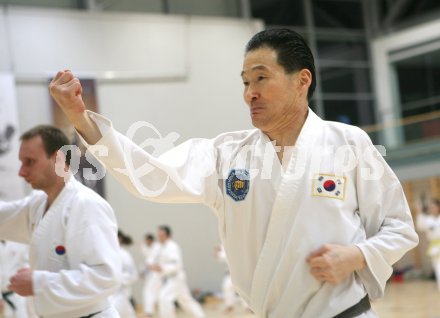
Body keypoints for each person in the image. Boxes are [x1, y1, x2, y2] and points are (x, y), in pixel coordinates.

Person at [49, 28, 419, 317]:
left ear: (301, 80)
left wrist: (356, 256)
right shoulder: (227, 154)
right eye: (245, 82)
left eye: (261, 78)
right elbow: (152, 176)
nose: (249, 93)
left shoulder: (348, 143)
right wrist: (80, 117)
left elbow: (399, 227)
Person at [0, 125, 121, 317]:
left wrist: (37, 282)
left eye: (29, 162)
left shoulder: (85, 205)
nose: (21, 172)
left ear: (58, 158)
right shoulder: (38, 204)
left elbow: (105, 276)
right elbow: (3, 217)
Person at [150, 225, 205, 318]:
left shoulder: (172, 246)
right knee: (186, 301)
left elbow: (176, 264)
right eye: (158, 234)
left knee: (164, 297)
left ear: (168, 235)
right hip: (169, 278)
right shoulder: (160, 247)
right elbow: (153, 260)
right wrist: (154, 266)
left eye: (161, 234)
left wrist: (161, 268)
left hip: (175, 277)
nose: (159, 236)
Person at [0, 240, 34, 318]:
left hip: (17, 291)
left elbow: (27, 262)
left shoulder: (19, 241)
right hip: (2, 290)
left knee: (22, 314)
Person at [111, 230, 138, 318]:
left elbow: (132, 275)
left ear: (120, 239)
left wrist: (116, 279)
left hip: (121, 293)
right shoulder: (109, 253)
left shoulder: (124, 255)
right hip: (111, 293)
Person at [415, 198, 440, 290]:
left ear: (438, 207)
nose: (432, 209)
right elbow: (420, 226)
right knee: (438, 269)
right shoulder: (428, 220)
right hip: (435, 248)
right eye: (430, 207)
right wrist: (419, 211)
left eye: (434, 207)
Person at [140, 234, 161, 317]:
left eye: (148, 240)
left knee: (149, 292)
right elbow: (147, 262)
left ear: (151, 240)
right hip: (151, 274)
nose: (147, 242)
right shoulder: (146, 248)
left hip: (156, 274)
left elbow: (151, 262)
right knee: (152, 293)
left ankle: (149, 312)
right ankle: (149, 311)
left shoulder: (157, 248)